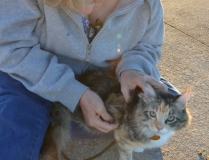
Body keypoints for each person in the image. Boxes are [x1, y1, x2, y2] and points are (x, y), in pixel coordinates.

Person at [0, 0, 180, 159]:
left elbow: (148, 45)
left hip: (104, 78)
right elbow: (11, 46)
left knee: (171, 106)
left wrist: (133, 69)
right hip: (34, 73)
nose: (84, 8)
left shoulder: (148, 4)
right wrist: (73, 92)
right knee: (16, 125)